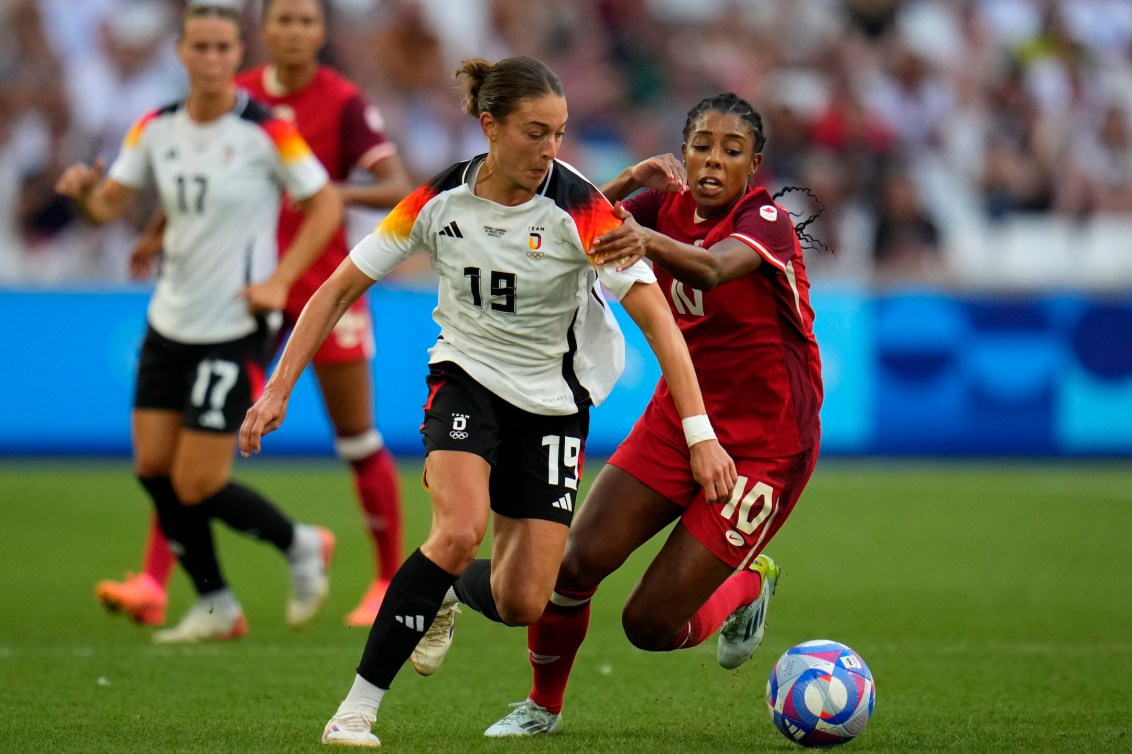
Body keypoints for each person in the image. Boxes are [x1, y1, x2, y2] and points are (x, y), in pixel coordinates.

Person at [238, 56, 737, 748]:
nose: (550, 150)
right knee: (455, 529)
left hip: (554, 405)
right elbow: (339, 288)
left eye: (559, 134)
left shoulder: (583, 208)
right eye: (536, 133)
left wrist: (699, 433)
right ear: (490, 127)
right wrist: (278, 388)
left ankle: (446, 590)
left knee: (521, 599)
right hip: (465, 379)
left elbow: (659, 324)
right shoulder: (438, 201)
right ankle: (356, 710)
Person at [481, 92, 825, 736]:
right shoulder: (661, 204)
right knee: (574, 565)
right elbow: (565, 225)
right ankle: (541, 708)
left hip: (767, 445)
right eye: (701, 146)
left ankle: (749, 587)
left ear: (755, 165)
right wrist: (628, 183)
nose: (713, 161)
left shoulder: (767, 217)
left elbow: (716, 268)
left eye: (732, 151)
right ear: (684, 151)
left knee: (650, 626)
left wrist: (645, 237)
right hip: (680, 419)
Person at [93, 0, 414, 630]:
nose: (293, 32)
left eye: (305, 21)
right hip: (248, 295)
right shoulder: (232, 96)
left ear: (322, 32)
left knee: (356, 437)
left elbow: (395, 185)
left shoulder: (343, 101)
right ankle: (155, 582)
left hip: (325, 284)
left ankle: (383, 580)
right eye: (282, 20)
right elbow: (192, 171)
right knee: (188, 440)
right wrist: (159, 228)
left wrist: (314, 189)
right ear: (259, 32)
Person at [56, 3, 341, 642]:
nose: (211, 59)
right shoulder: (155, 127)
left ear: (239, 56)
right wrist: (83, 198)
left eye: (223, 48)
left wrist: (279, 278)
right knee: (154, 469)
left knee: (198, 479)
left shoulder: (268, 130)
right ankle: (217, 605)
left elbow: (324, 207)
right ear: (181, 53)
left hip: (235, 324)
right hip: (169, 319)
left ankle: (298, 543)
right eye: (200, 47)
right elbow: (109, 204)